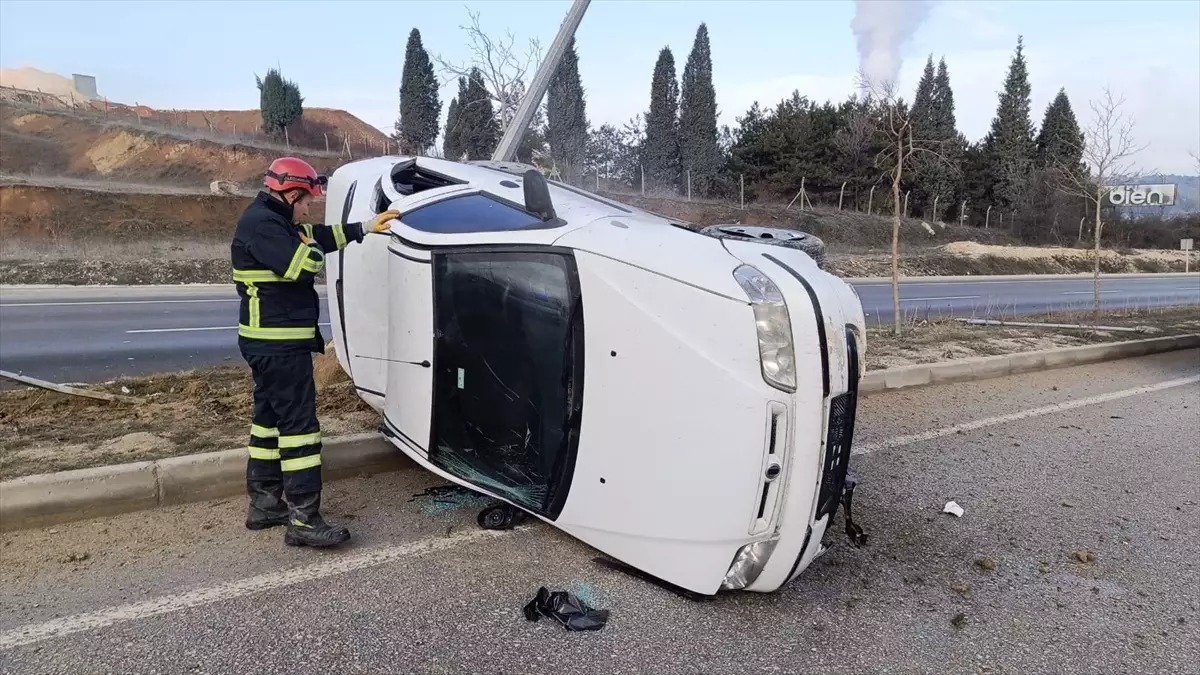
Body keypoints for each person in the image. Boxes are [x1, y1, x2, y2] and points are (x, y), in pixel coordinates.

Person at [230, 156, 399, 548]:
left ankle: (265, 504)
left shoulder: (275, 220)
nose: (308, 209)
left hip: (270, 343)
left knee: (268, 422)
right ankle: (304, 519)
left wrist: (366, 228)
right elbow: (304, 264)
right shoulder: (263, 226)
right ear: (289, 193)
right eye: (306, 201)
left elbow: (318, 236)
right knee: (299, 431)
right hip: (278, 346)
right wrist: (309, 248)